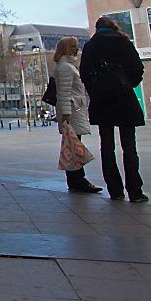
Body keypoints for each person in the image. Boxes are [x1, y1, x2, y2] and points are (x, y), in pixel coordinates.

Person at [79, 16, 148, 202]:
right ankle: (135, 191)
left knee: (107, 147)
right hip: (125, 99)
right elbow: (138, 69)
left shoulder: (90, 46)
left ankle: (115, 190)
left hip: (102, 101)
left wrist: (96, 90)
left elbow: (84, 73)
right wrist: (126, 84)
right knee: (129, 146)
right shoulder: (124, 43)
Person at [52, 37, 102, 193]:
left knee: (72, 145)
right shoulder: (65, 67)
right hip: (72, 111)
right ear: (65, 48)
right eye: (73, 46)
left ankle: (75, 179)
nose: (77, 48)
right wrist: (66, 113)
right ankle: (78, 179)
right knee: (74, 145)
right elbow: (64, 93)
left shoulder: (67, 66)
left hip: (74, 109)